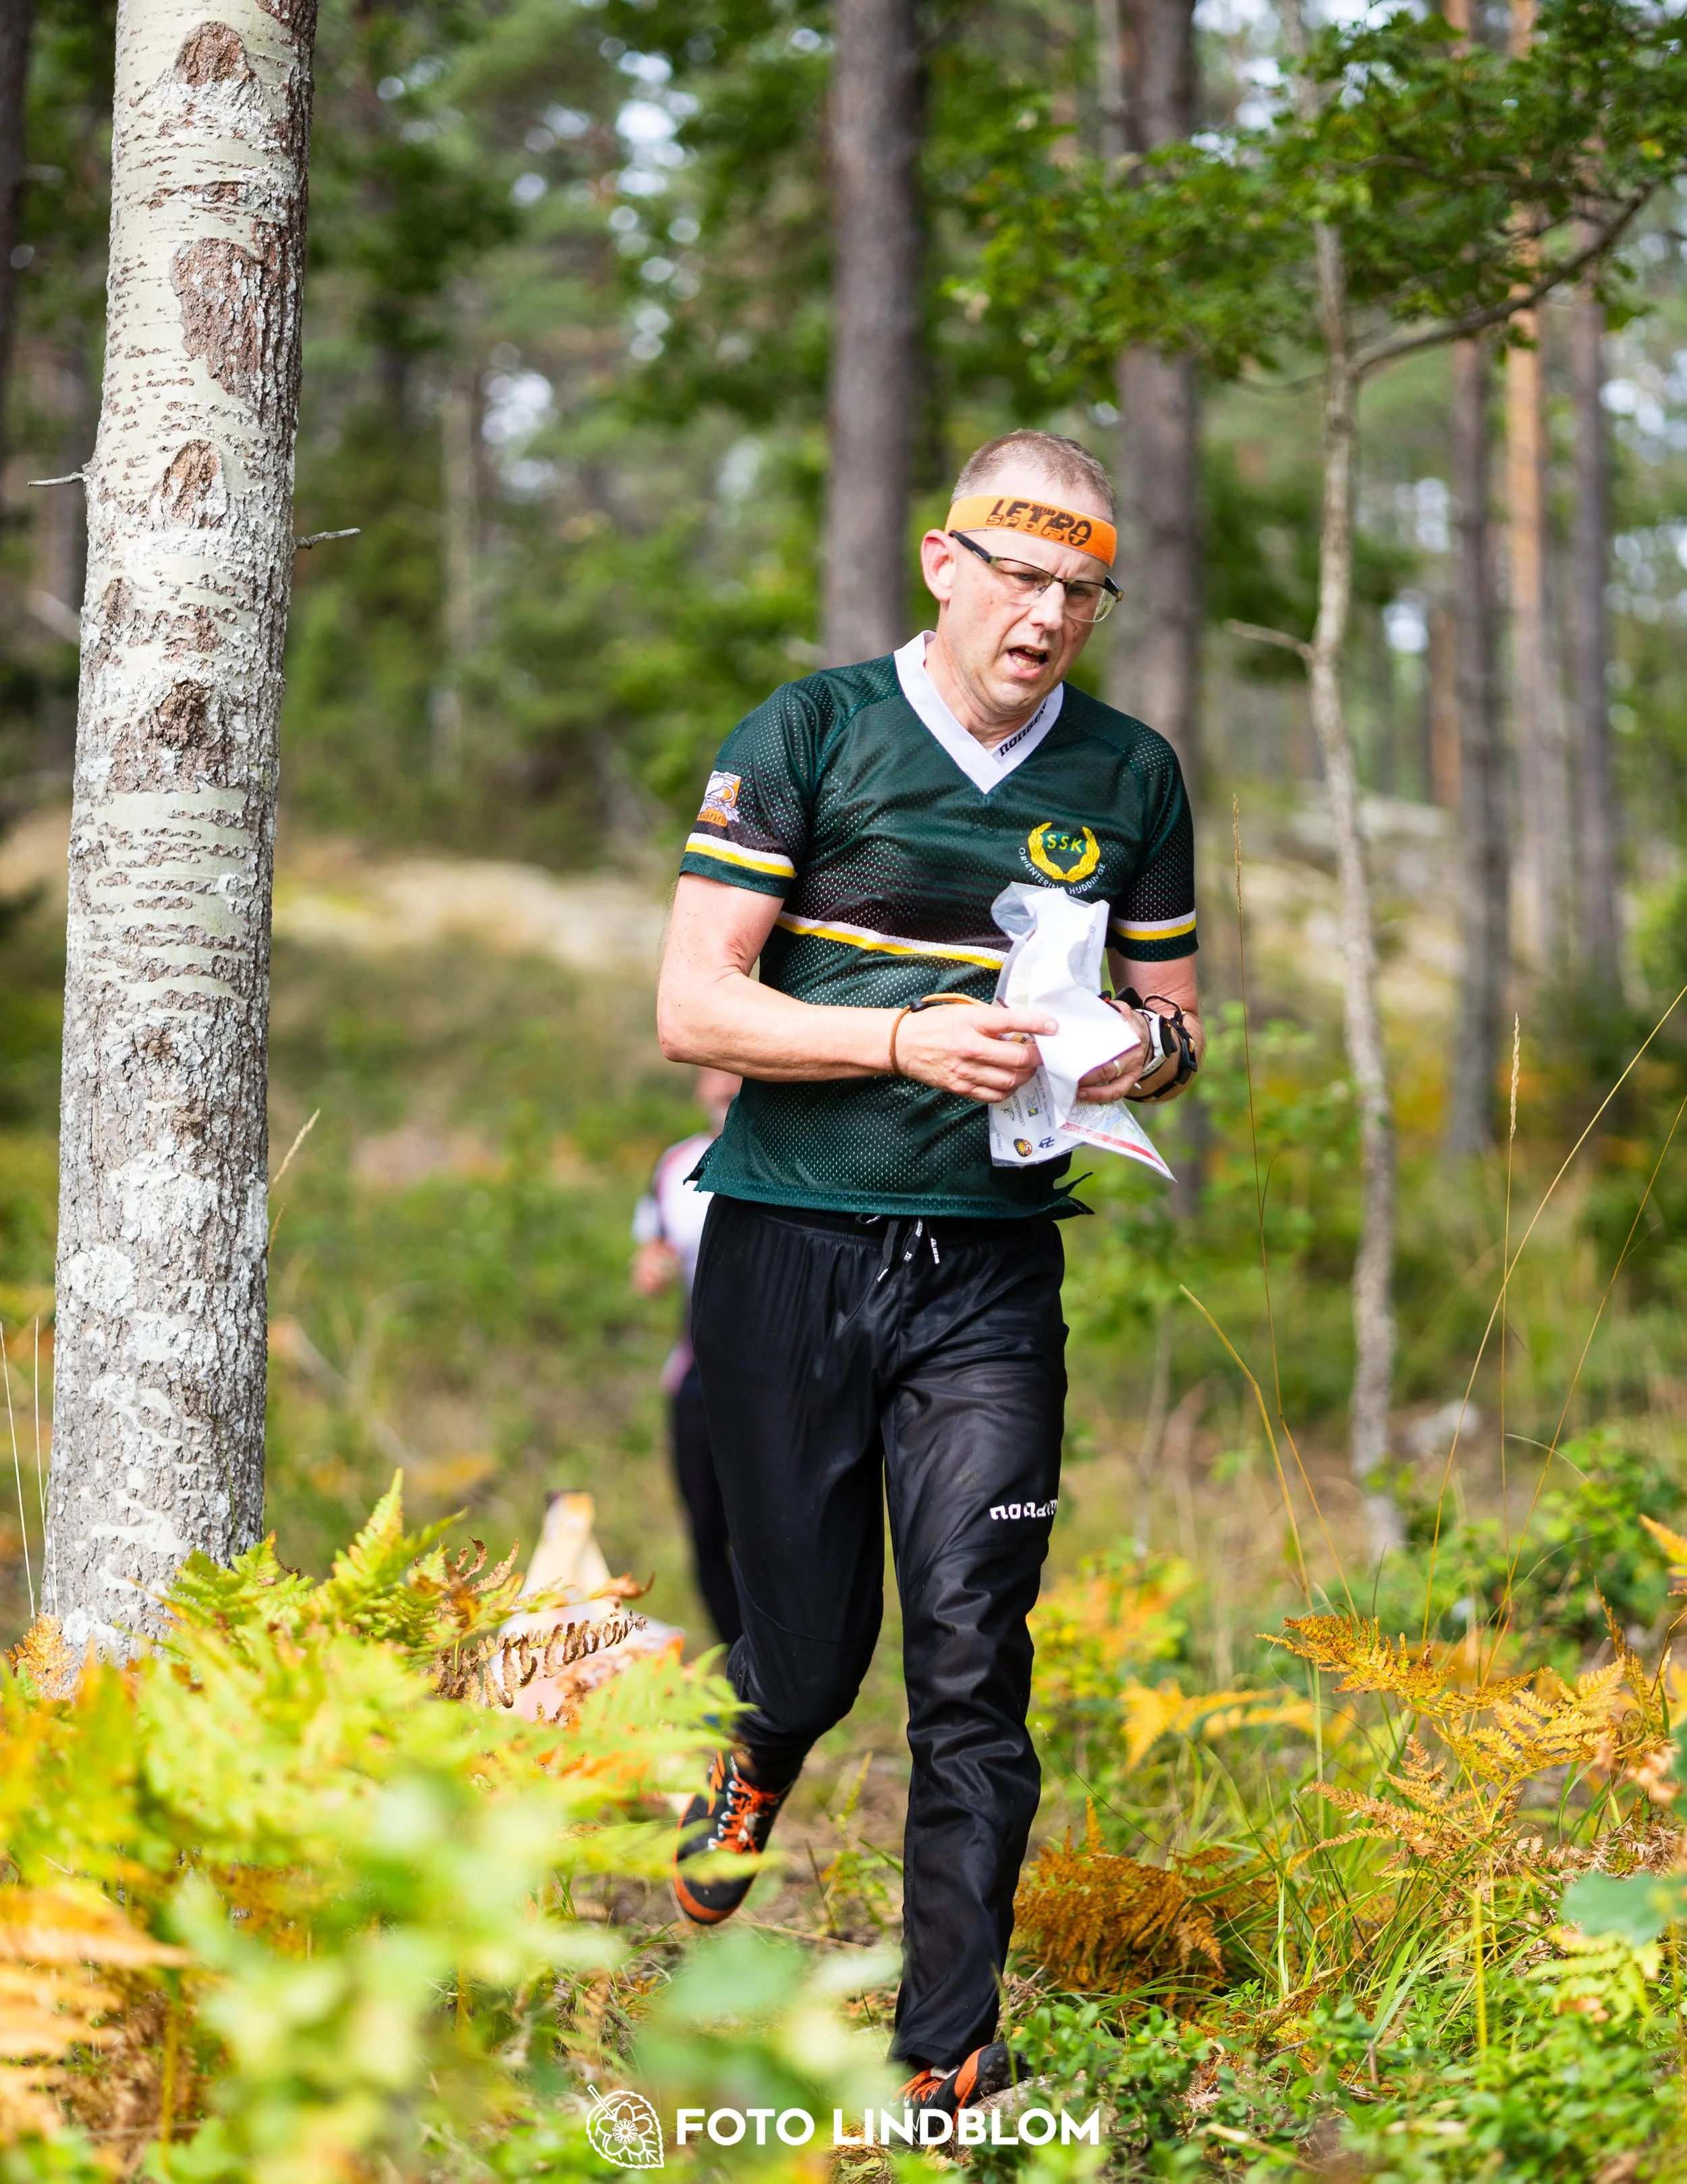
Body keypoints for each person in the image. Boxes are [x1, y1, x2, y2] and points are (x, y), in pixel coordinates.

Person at [658, 429, 1205, 2122]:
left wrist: (1139, 1056)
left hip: (990, 1279)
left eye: (1080, 590)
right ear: (942, 562)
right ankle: (760, 1749)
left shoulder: (1130, 773)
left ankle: (946, 2049)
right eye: (1020, 573)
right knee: (812, 1650)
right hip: (787, 1248)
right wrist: (898, 1035)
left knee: (977, 1653)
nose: (1046, 614)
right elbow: (693, 1008)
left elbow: (1188, 1021)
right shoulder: (810, 731)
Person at [631, 1067, 744, 1649]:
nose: (721, 1086)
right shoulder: (676, 1165)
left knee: (772, 1528)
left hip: (781, 1382)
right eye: (711, 1073)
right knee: (705, 1528)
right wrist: (650, 1266)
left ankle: (787, 1670)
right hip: (696, 1378)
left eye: (734, 1073)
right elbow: (653, 1248)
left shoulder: (797, 1159)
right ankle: (741, 1663)